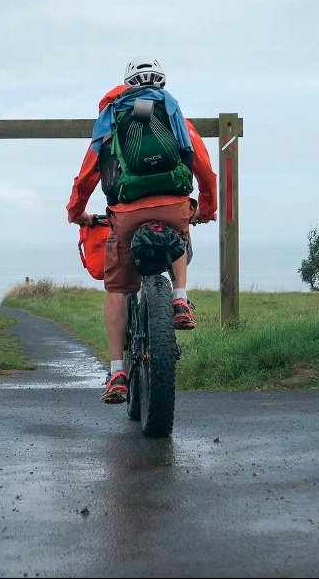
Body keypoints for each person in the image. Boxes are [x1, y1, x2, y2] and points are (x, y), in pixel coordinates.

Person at [66, 58, 217, 404]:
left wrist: (77, 213)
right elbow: (204, 166)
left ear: (125, 85)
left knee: (117, 288)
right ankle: (179, 299)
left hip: (126, 213)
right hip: (174, 206)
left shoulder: (112, 119)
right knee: (179, 230)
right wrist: (205, 208)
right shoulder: (173, 113)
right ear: (161, 85)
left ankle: (118, 370)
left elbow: (88, 173)